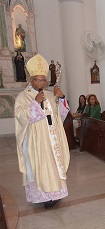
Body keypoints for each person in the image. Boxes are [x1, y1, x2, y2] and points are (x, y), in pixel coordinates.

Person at [14, 54, 70, 209]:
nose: (40, 83)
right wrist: (36, 103)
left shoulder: (50, 95)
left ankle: (53, 196)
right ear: (31, 80)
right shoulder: (23, 97)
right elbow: (20, 116)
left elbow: (59, 116)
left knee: (52, 167)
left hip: (52, 140)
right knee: (39, 167)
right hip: (35, 141)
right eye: (37, 80)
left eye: (43, 80)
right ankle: (43, 197)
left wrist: (62, 98)